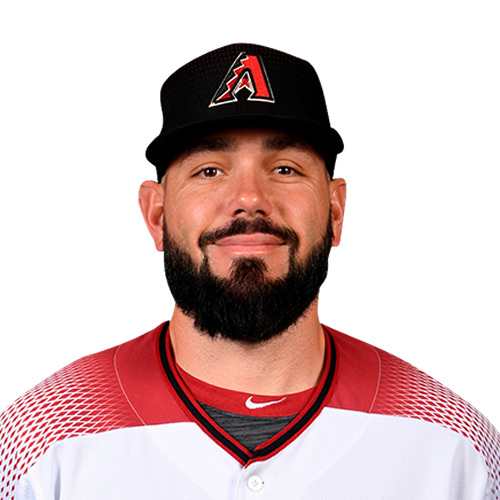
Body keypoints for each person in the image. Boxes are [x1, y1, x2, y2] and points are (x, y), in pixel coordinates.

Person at [0, 42, 498, 499]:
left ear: (336, 211)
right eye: (209, 170)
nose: (249, 199)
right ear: (156, 215)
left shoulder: (454, 441)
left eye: (285, 169)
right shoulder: (38, 436)